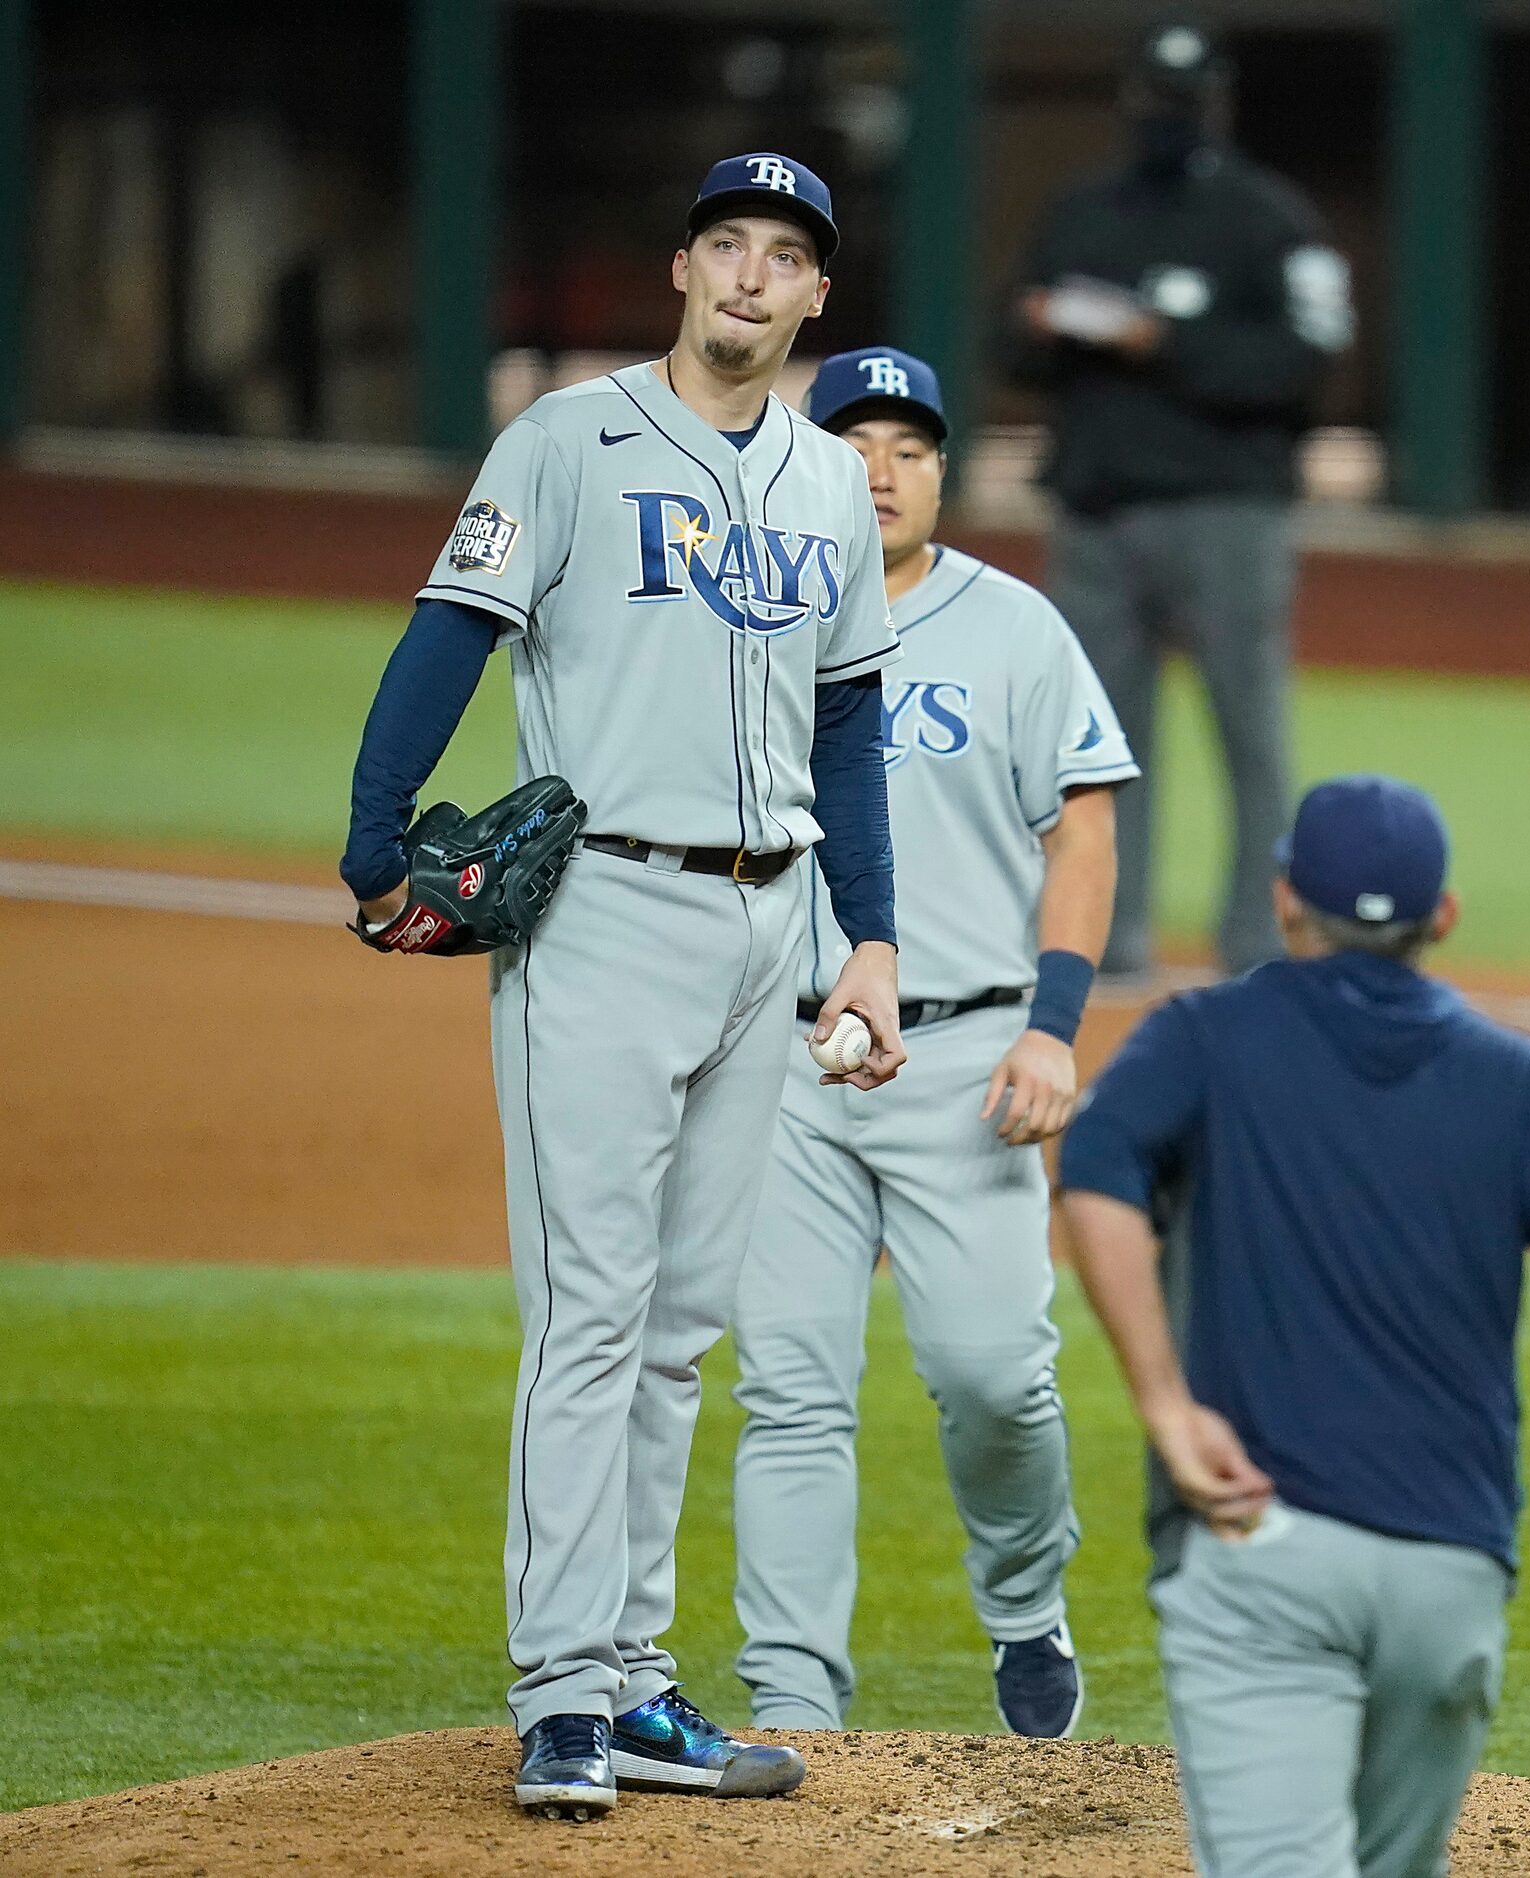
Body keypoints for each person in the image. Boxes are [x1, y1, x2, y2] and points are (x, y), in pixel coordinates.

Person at [339, 152, 907, 1819]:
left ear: (815, 296)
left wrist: (867, 937)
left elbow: (850, 728)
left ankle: (637, 1681)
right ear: (680, 268)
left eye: (782, 256)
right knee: (589, 1316)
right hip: (596, 916)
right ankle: (556, 1697)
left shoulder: (823, 485)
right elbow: (450, 632)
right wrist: (374, 839)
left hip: (767, 927)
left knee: (677, 1330)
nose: (749, 274)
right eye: (725, 243)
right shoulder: (565, 444)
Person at [1056, 775, 1530, 1878]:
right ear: (1442, 920)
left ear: (1287, 899)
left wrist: (1163, 1401)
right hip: (1453, 1578)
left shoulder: (1205, 1036)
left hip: (1265, 1553)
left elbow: (1095, 1171)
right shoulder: (1527, 1085)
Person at [727, 345, 1137, 1740]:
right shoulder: (746, 624)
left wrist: (1054, 1030)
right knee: (787, 1386)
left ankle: (1027, 1608)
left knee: (993, 1378)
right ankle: (792, 1695)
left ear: (945, 471)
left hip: (969, 1061)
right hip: (778, 1061)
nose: (883, 468)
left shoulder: (1015, 627)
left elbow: (1082, 826)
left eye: (911, 445)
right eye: (854, 441)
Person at [1003, 14, 1354, 981]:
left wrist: (1160, 343)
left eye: (1185, 102)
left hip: (1226, 512)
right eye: (1156, 100)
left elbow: (1303, 361)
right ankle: (1108, 935)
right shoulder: (1082, 212)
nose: (1168, 118)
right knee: (1100, 746)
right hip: (1098, 511)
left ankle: (1254, 940)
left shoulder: (1269, 219)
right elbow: (1009, 341)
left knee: (1251, 733)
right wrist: (1046, 329)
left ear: (1217, 107)